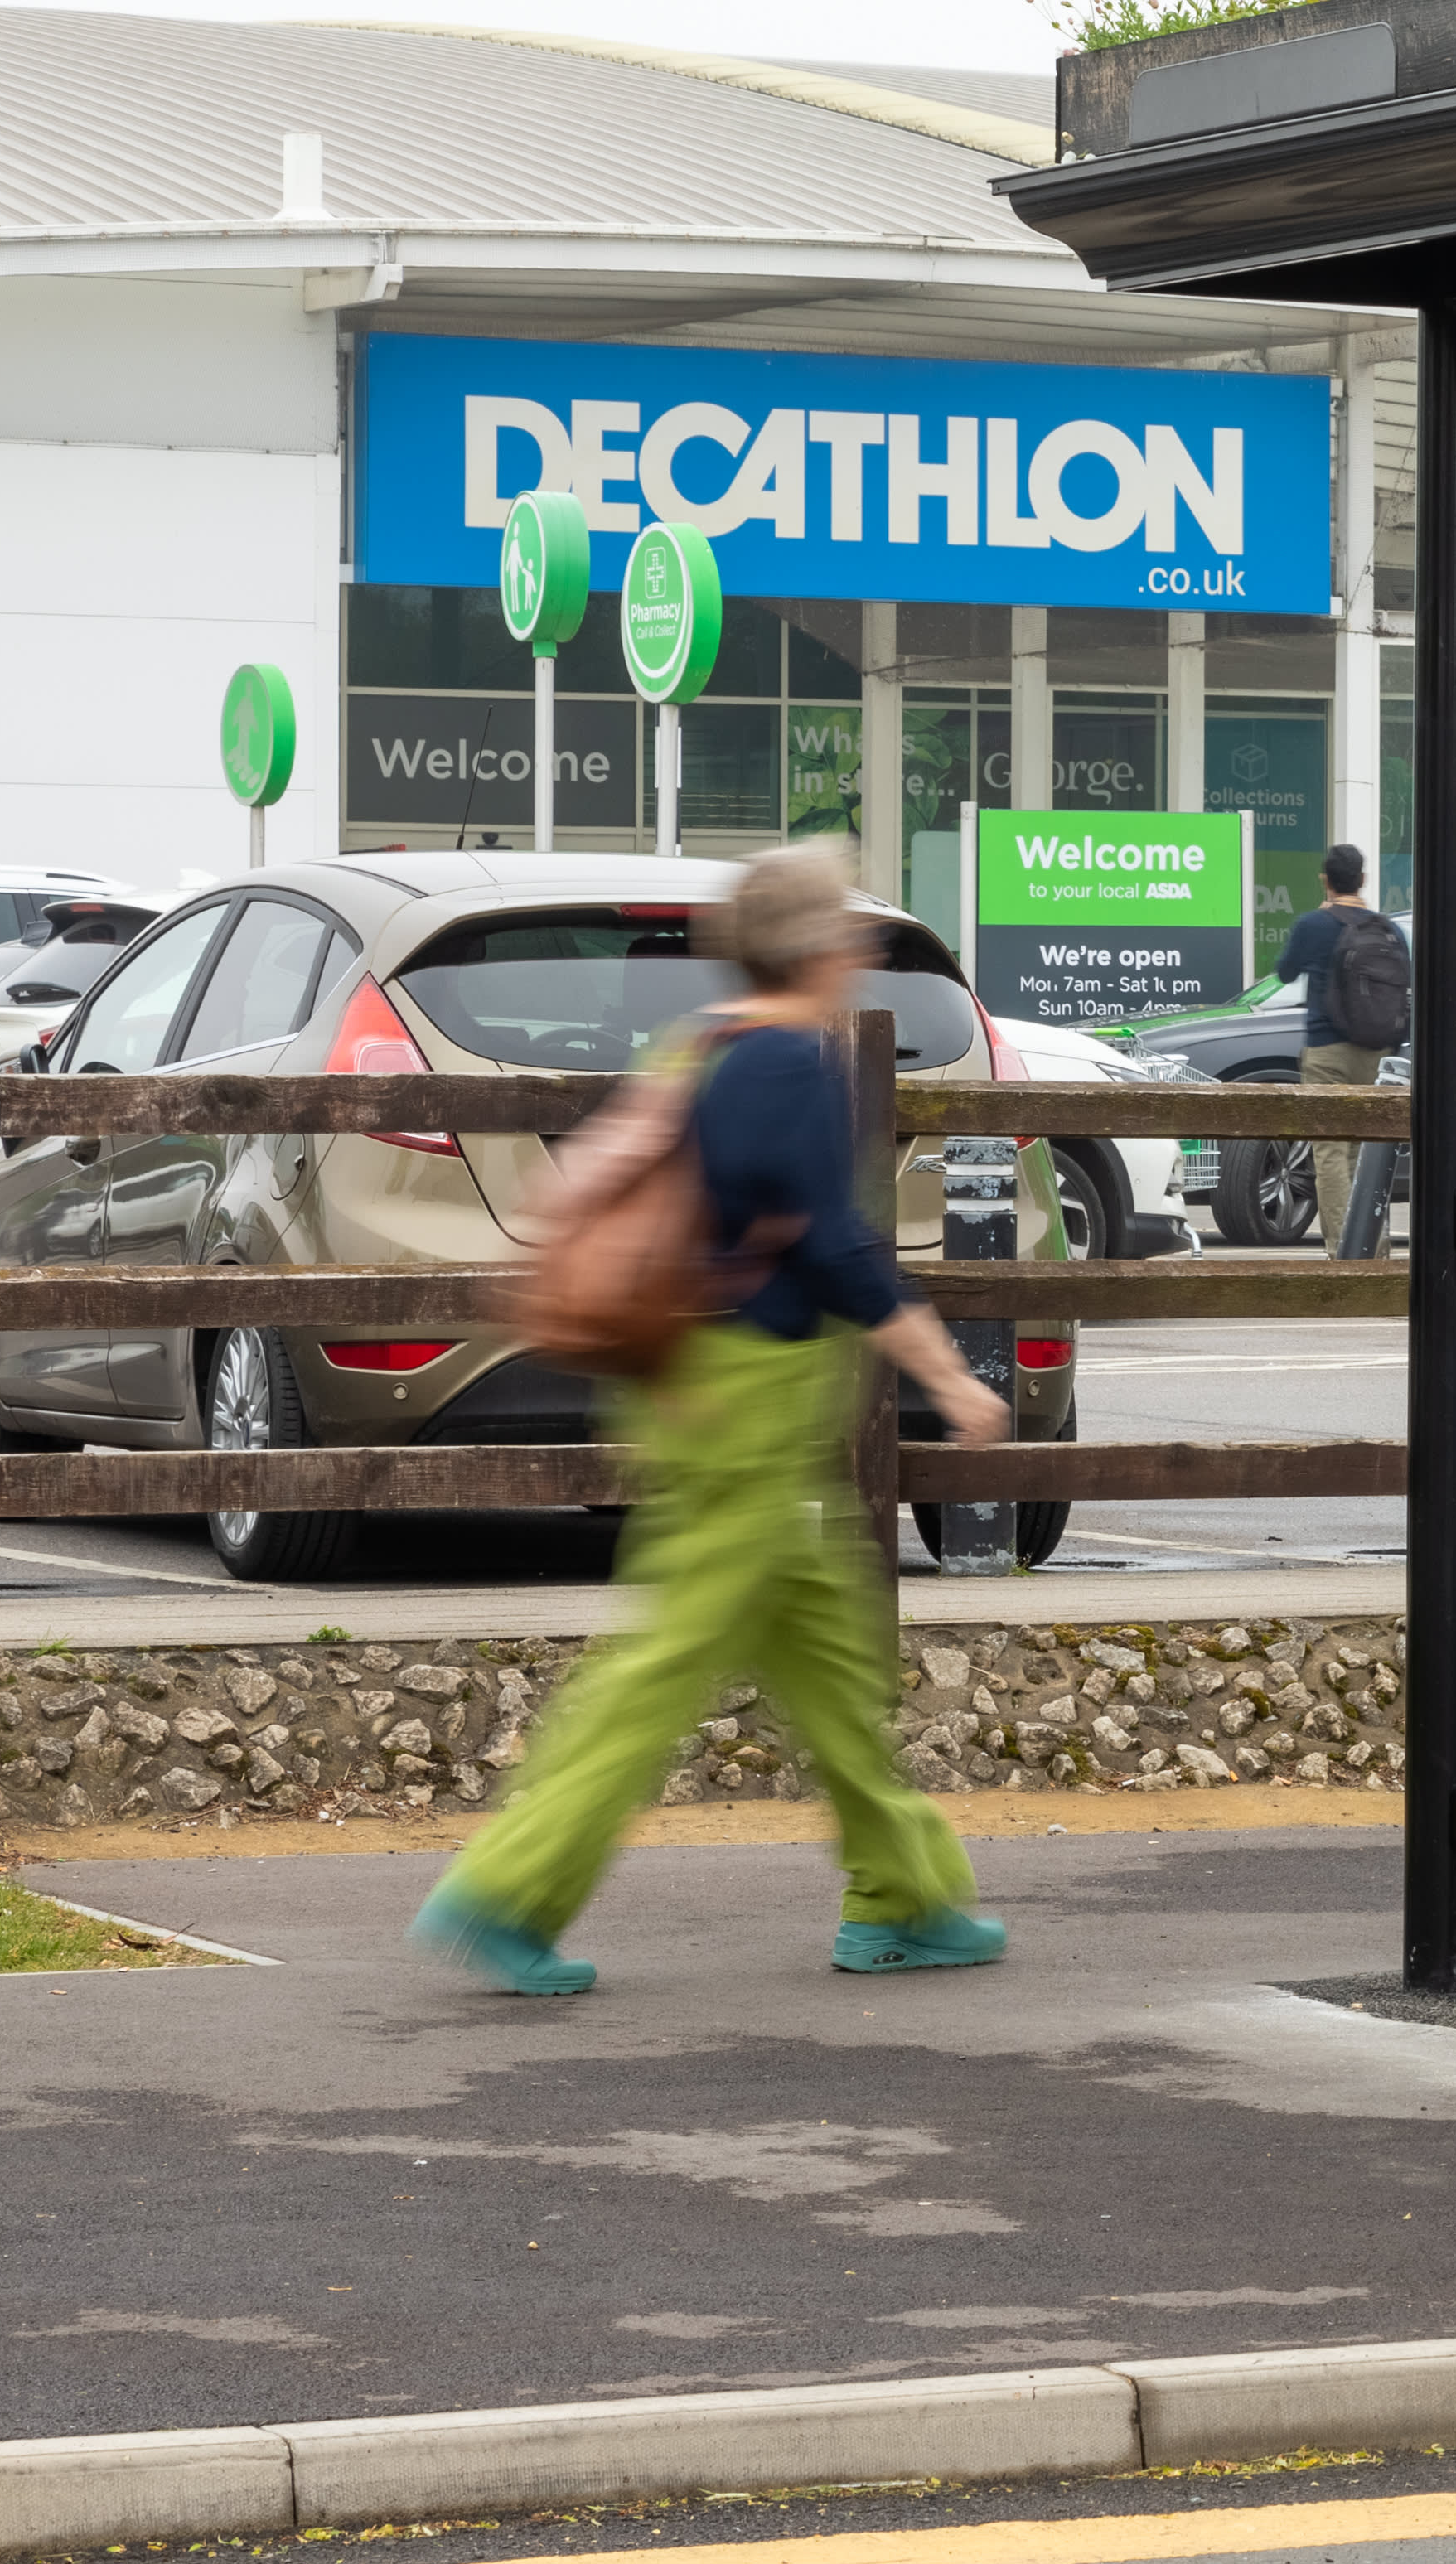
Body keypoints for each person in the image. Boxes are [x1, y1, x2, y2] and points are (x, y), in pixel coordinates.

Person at [412, 845, 1017, 1996]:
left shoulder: (700, 1045)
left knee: (835, 1669)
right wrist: (946, 1370)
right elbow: (828, 1240)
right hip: (755, 1401)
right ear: (823, 950)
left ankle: (906, 1897)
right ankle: (510, 1887)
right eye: (848, 934)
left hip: (701, 1389)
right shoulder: (789, 1063)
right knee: (666, 1662)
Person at [1270, 841, 1409, 1244]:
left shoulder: (1313, 925)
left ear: (1325, 880)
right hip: (1376, 1054)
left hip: (1327, 1052)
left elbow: (1284, 973)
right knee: (1368, 1157)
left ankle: (1344, 1252)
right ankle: (1373, 1247)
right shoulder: (1388, 929)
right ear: (1363, 880)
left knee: (1330, 1151)